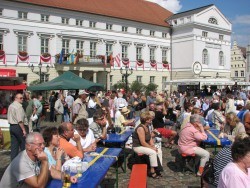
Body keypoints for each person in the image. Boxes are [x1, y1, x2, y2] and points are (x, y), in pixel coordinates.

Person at [132, 111, 161, 179]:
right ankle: (152, 170)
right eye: (150, 119)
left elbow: (149, 137)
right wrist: (151, 148)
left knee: (159, 151)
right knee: (152, 152)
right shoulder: (140, 128)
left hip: (144, 145)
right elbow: (142, 142)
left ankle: (158, 169)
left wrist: (153, 145)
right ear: (146, 120)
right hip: (138, 146)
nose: (151, 119)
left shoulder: (146, 126)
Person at [7, 93, 28, 160]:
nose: (22, 99)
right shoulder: (18, 107)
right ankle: (23, 162)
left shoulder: (11, 105)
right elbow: (20, 120)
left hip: (12, 127)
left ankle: (13, 163)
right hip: (18, 126)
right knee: (23, 145)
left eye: (22, 98)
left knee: (14, 146)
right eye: (20, 98)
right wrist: (24, 130)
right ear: (16, 98)